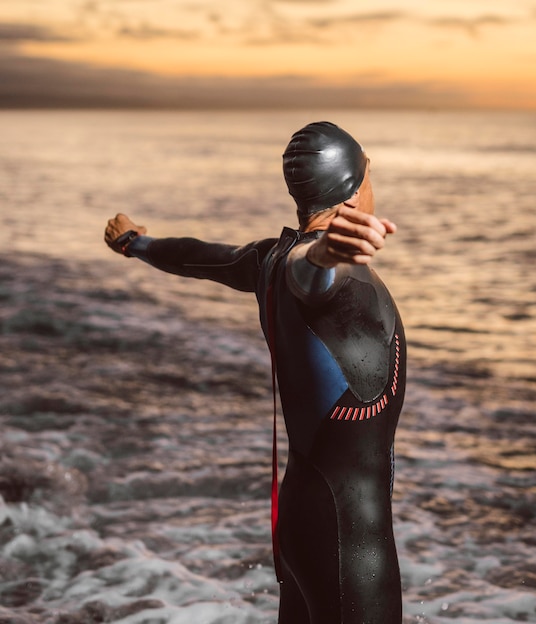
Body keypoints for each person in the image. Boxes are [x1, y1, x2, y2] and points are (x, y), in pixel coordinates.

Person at [104, 121, 406, 624]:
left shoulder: (268, 259)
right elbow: (311, 277)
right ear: (352, 191)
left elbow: (199, 256)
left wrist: (135, 241)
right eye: (369, 171)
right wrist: (326, 253)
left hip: (302, 522)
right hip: (348, 539)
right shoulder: (319, 271)